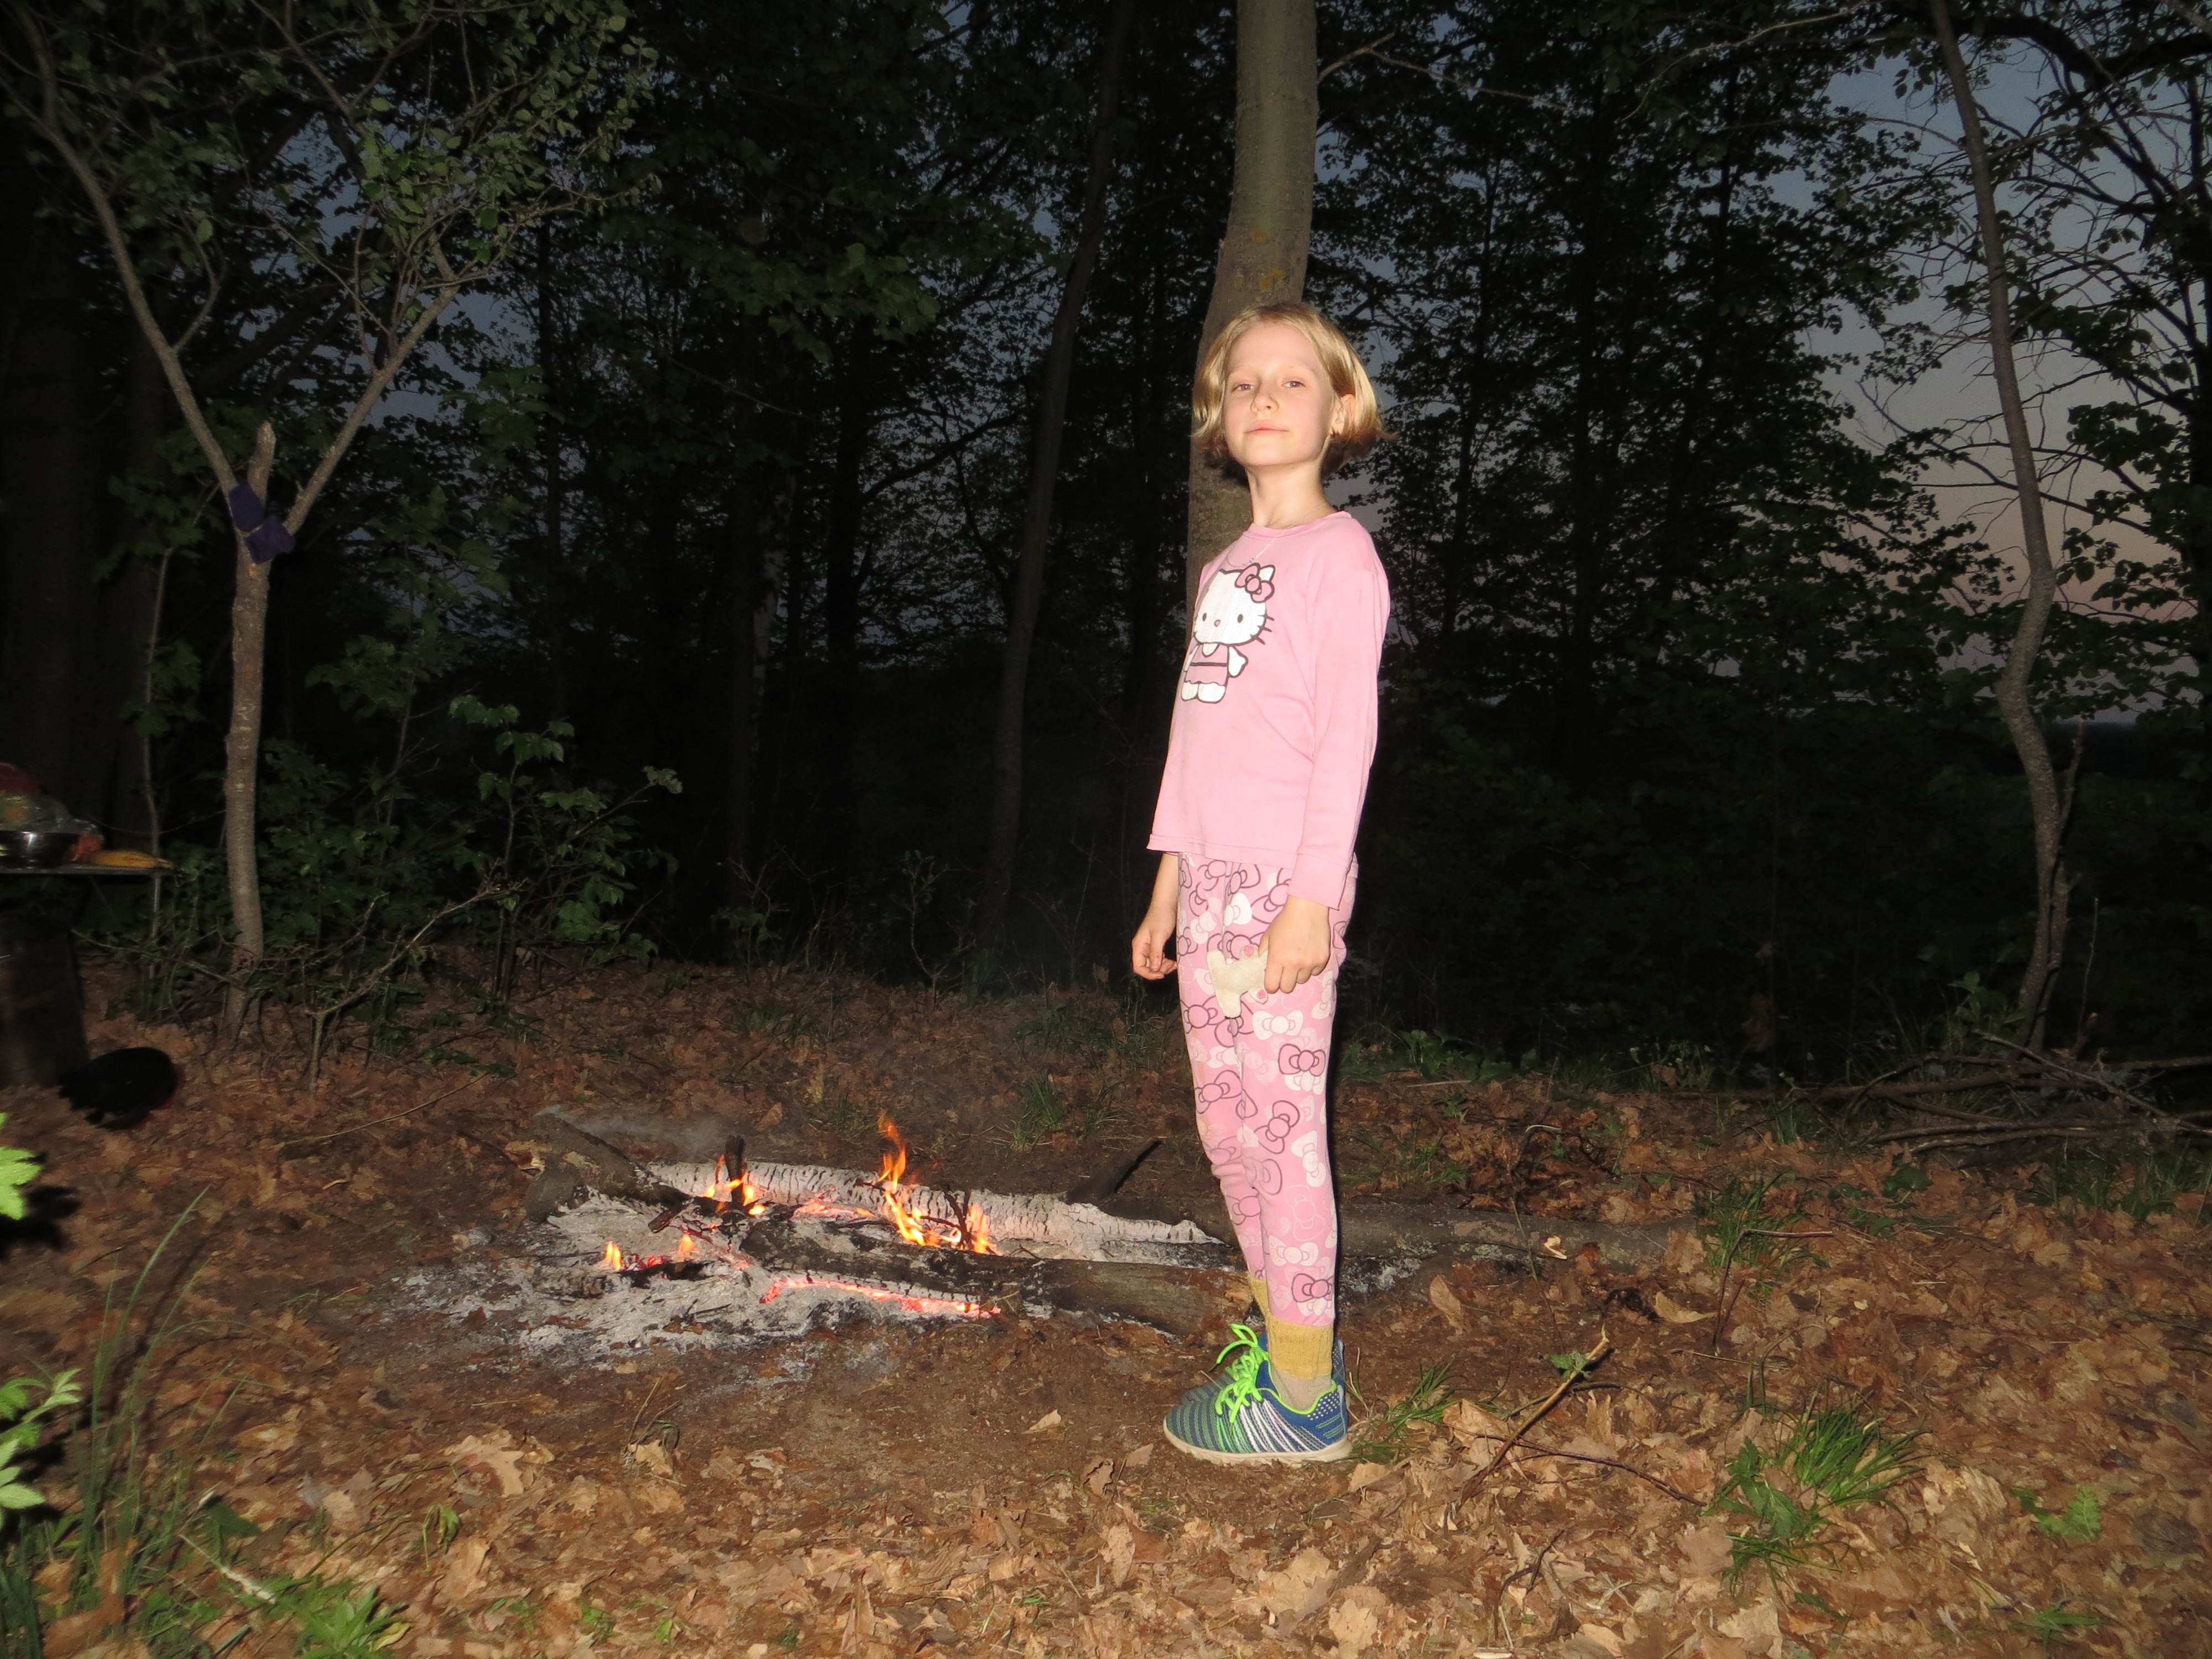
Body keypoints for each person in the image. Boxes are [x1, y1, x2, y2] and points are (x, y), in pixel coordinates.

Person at [1131, 301, 1389, 1464]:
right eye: (1243, 384)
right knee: (1228, 1131)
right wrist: (1166, 884)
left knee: (1284, 1140)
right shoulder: (1226, 569)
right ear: (1218, 415)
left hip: (1285, 889)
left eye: (1292, 382)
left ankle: (1303, 1404)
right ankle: (1283, 1347)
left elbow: (1346, 745)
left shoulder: (1341, 559)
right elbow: (1194, 742)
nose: (1265, 399)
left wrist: (1310, 902)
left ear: (1339, 411)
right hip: (1210, 888)